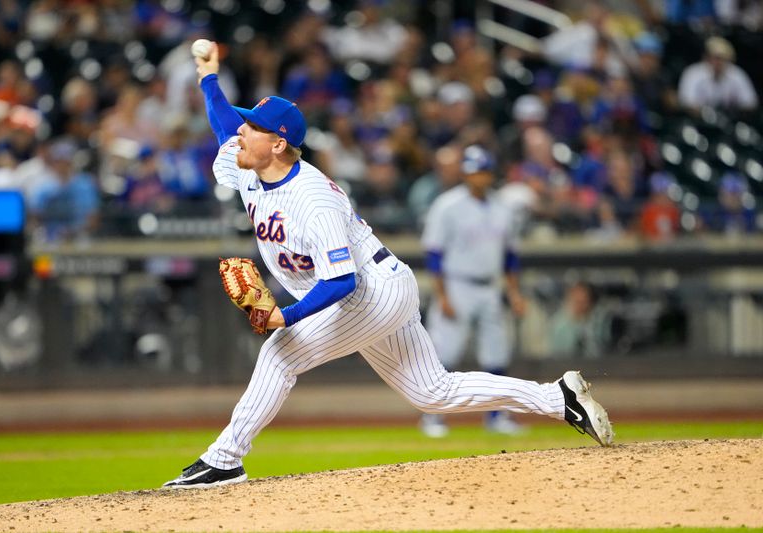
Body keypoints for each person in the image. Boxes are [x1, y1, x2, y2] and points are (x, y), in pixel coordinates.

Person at [163, 41, 614, 489]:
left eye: (253, 128)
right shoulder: (249, 168)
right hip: (381, 287)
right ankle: (557, 398)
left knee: (280, 353)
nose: (242, 133)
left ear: (278, 143)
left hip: (369, 291)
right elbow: (225, 127)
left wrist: (287, 315)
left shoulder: (312, 200)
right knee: (431, 392)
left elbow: (341, 280)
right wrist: (209, 78)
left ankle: (224, 460)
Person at [418, 145, 528, 438]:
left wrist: (515, 294)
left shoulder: (502, 208)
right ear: (465, 174)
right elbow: (434, 255)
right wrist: (442, 296)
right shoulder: (447, 205)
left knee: (496, 354)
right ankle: (433, 417)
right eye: (472, 172)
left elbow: (510, 257)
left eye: (482, 172)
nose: (477, 177)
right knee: (445, 354)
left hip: (490, 287)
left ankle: (496, 416)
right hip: (457, 284)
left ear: (490, 174)